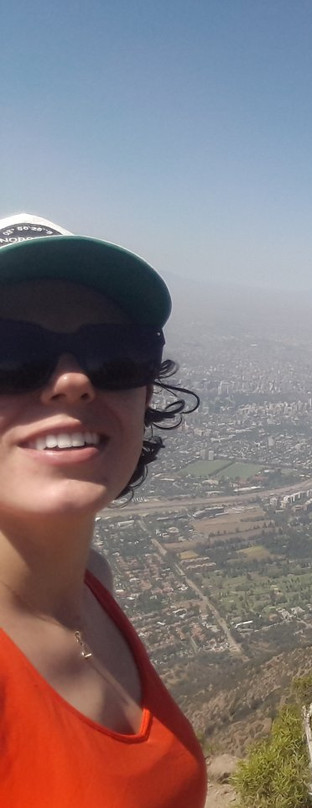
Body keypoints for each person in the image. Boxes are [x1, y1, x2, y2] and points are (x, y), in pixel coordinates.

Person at [0, 214, 205, 806]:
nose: (72, 380)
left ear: (145, 393)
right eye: (7, 353)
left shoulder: (94, 584)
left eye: (115, 354)